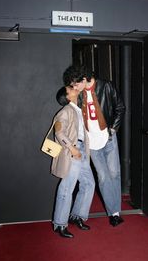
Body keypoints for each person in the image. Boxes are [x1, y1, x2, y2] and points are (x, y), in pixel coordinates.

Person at [63, 65, 126, 227]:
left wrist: (113, 129)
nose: (74, 87)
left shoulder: (106, 86)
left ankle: (115, 212)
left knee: (114, 174)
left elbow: (120, 108)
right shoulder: (79, 94)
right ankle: (113, 213)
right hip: (92, 143)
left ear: (84, 79)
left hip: (109, 137)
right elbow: (65, 100)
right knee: (103, 177)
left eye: (76, 84)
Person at [51, 86, 95, 238]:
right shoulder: (64, 111)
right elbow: (58, 132)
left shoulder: (78, 109)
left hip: (82, 151)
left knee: (89, 184)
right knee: (67, 187)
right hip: (73, 152)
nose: (74, 88)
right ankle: (59, 224)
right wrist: (72, 148)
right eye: (70, 88)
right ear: (68, 96)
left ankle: (77, 216)